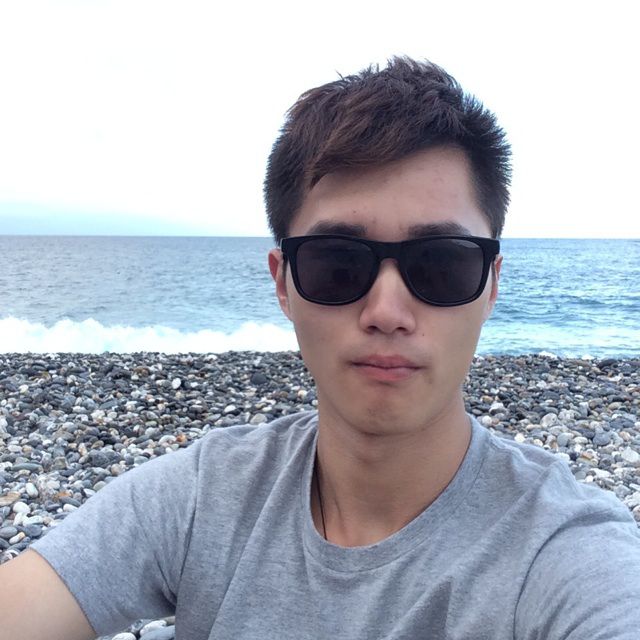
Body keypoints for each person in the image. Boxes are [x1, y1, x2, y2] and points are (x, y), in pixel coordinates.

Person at [1, 57, 639, 640]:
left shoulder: (562, 547)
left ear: (491, 285)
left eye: (442, 264)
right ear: (283, 283)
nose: (387, 312)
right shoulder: (206, 496)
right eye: (337, 264)